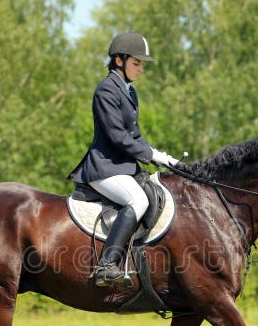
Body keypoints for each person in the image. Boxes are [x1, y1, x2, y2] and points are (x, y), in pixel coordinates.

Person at [69, 32, 179, 287]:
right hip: (103, 168)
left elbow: (134, 136)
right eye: (136, 63)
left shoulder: (130, 92)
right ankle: (106, 266)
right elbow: (118, 136)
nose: (141, 69)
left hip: (124, 168)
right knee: (137, 200)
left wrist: (160, 156)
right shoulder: (106, 89)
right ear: (119, 60)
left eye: (142, 64)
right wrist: (151, 155)